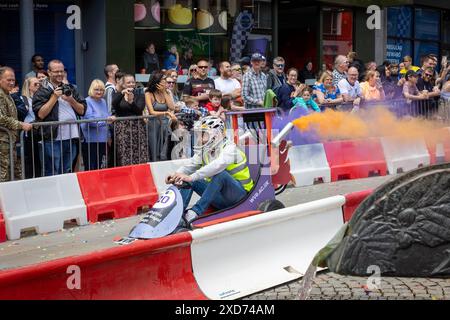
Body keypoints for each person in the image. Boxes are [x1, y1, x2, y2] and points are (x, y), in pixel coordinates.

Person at [166, 116, 254, 228]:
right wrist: (176, 175)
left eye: (203, 134)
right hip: (220, 197)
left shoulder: (230, 148)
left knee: (220, 174)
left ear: (216, 134)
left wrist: (192, 177)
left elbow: (217, 166)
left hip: (239, 196)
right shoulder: (206, 150)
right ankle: (178, 216)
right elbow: (190, 166)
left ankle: (194, 213)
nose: (200, 139)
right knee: (186, 178)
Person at [32, 60, 86, 176]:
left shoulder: (70, 88)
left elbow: (82, 110)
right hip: (52, 138)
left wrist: (71, 100)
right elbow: (41, 114)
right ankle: (51, 194)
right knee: (52, 171)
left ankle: (64, 193)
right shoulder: (42, 91)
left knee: (67, 170)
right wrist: (54, 97)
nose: (60, 74)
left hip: (71, 136)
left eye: (62, 71)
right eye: (56, 71)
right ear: (49, 72)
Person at [0, 67, 33, 182]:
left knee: (13, 174)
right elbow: (1, 118)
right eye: (8, 80)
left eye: (13, 80)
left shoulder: (7, 94)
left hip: (9, 142)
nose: (12, 82)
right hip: (2, 143)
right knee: (3, 176)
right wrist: (20, 125)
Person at [111, 74, 149, 166]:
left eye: (133, 82)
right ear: (123, 84)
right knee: (124, 153)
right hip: (122, 129)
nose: (131, 84)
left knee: (139, 153)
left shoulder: (139, 95)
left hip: (137, 128)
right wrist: (122, 93)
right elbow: (114, 104)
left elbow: (139, 110)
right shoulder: (118, 94)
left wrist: (131, 102)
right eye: (128, 82)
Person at [81, 80, 114, 171]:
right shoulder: (87, 101)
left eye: (101, 90)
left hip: (102, 140)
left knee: (100, 166)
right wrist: (106, 121)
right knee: (91, 167)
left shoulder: (103, 101)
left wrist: (108, 136)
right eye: (96, 89)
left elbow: (106, 117)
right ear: (91, 89)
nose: (99, 92)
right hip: (90, 140)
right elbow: (90, 121)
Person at [145, 71, 176, 162]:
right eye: (164, 79)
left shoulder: (166, 92)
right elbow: (151, 112)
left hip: (165, 125)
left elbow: (171, 107)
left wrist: (164, 92)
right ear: (157, 81)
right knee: (154, 151)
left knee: (165, 151)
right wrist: (166, 113)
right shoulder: (148, 93)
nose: (166, 81)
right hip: (154, 124)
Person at [20, 77, 42, 178]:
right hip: (28, 132)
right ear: (28, 87)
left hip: (40, 132)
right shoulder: (23, 99)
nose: (38, 86)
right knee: (29, 159)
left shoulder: (41, 98)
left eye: (39, 84)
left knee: (39, 159)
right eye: (35, 84)